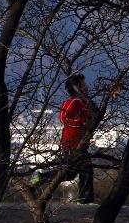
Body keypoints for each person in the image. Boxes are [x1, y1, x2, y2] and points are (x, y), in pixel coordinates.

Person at [35, 74, 98, 203]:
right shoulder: (73, 102)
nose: (86, 87)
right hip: (72, 144)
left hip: (79, 144)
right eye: (83, 84)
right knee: (86, 169)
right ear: (77, 87)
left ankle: (41, 177)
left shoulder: (84, 102)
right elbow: (63, 117)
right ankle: (86, 200)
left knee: (69, 173)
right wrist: (82, 122)